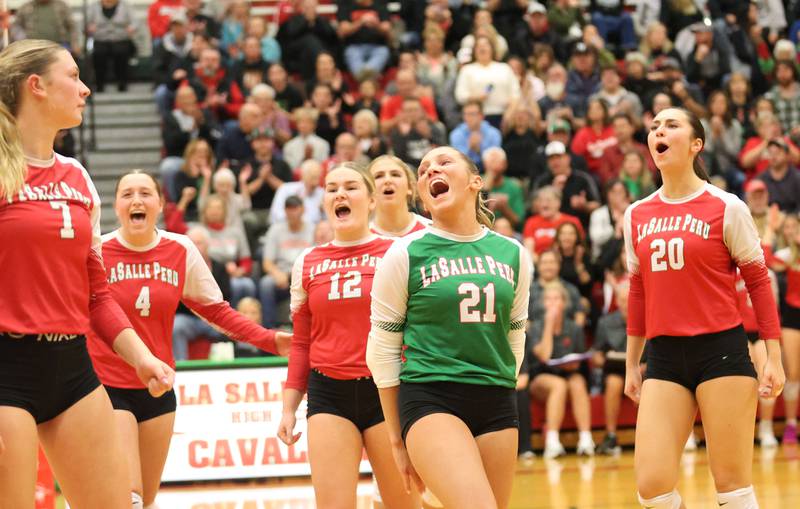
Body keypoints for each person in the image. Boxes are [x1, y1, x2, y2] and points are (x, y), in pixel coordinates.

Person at [0, 39, 174, 508]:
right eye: (73, 76)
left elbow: (97, 293)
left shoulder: (77, 177)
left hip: (73, 368)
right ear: (35, 86)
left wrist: (140, 357)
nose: (86, 89)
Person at [87, 170, 290, 509]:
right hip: (106, 385)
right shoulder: (98, 251)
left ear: (161, 204)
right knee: (128, 497)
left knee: (146, 500)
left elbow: (218, 312)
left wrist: (269, 340)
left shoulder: (180, 249)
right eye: (127, 194)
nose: (136, 200)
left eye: (145, 193)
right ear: (116, 206)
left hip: (158, 387)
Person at [623, 107, 785, 509]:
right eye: (655, 126)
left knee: (732, 487)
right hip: (663, 356)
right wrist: (632, 363)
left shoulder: (726, 206)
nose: (659, 130)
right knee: (652, 488)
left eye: (671, 125)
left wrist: (773, 356)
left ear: (696, 144)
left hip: (722, 353)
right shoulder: (636, 214)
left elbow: (759, 283)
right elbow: (638, 291)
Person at [367, 146, 532, 508]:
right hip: (431, 397)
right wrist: (397, 438)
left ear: (475, 182)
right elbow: (381, 351)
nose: (430, 171)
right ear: (424, 198)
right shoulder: (405, 253)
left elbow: (515, 334)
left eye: (443, 163)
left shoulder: (514, 253)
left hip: (497, 400)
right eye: (424, 170)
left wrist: (504, 382)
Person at [277, 163, 419, 509]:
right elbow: (301, 342)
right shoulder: (308, 261)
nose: (340, 193)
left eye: (351, 187)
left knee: (405, 504)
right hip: (329, 393)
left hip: (388, 391)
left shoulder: (398, 253)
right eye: (332, 188)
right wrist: (288, 406)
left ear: (371, 201)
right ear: (324, 202)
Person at [529, 281, 594, 458]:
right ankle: (552, 442)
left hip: (567, 373)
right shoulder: (536, 327)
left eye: (556, 299)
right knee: (559, 385)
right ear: (543, 303)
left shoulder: (573, 328)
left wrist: (572, 365)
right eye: (548, 299)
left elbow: (579, 359)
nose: (552, 303)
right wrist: (549, 325)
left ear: (564, 303)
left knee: (578, 383)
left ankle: (586, 439)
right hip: (540, 377)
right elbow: (543, 355)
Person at [368, 155, 429, 237]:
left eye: (395, 175)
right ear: (368, 191)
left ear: (410, 187)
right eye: (378, 176)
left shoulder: (430, 230)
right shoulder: (361, 238)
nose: (388, 180)